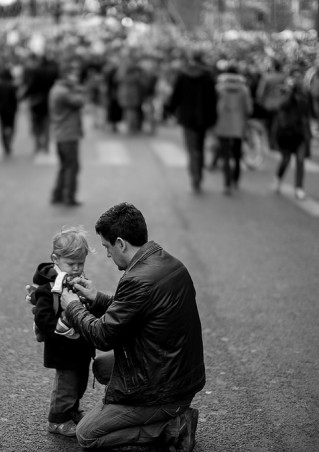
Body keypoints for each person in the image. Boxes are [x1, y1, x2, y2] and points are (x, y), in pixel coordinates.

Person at [58, 202, 205, 451]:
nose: (107, 254)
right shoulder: (167, 263)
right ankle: (155, 416)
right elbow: (133, 312)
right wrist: (96, 298)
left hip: (164, 390)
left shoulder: (137, 280)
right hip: (178, 375)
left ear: (121, 243)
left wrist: (72, 306)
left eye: (107, 247)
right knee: (102, 367)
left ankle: (170, 426)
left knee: (86, 435)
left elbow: (103, 336)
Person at [31, 226, 96, 438]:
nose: (76, 268)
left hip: (81, 345)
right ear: (55, 259)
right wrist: (61, 324)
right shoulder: (49, 288)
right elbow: (43, 318)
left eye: (80, 263)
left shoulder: (78, 280)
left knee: (79, 382)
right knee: (66, 385)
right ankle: (57, 420)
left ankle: (72, 410)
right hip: (62, 347)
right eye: (71, 263)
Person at [166, 51, 218, 193]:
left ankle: (194, 178)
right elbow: (213, 100)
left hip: (187, 118)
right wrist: (213, 118)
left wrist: (169, 110)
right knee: (199, 148)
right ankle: (198, 176)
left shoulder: (183, 75)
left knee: (191, 150)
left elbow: (175, 96)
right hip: (203, 118)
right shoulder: (207, 76)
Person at [271, 68, 312, 201]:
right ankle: (278, 178)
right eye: (295, 77)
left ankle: (299, 188)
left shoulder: (304, 94)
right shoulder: (284, 91)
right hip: (286, 132)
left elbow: (307, 112)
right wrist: (290, 93)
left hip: (300, 132)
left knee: (300, 160)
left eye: (299, 77)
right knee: (286, 159)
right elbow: (280, 106)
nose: (297, 80)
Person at [213, 63, 253, 195]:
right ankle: (236, 179)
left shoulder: (219, 88)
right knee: (237, 155)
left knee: (225, 156)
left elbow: (213, 106)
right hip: (238, 125)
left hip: (223, 124)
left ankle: (227, 183)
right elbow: (249, 109)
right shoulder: (244, 89)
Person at [49, 62, 84, 207]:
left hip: (61, 133)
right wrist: (77, 89)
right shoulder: (63, 92)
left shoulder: (57, 89)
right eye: (73, 74)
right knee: (72, 166)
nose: (76, 77)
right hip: (67, 134)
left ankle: (57, 195)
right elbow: (79, 101)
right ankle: (69, 196)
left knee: (64, 166)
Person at [22, 54, 58, 153]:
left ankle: (38, 144)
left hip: (36, 102)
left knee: (37, 124)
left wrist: (23, 96)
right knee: (46, 124)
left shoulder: (36, 72)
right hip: (48, 101)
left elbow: (32, 86)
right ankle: (46, 145)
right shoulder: (53, 72)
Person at [0, 66, 18, 156]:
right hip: (11, 110)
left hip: (2, 110)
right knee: (11, 127)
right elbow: (14, 100)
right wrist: (15, 108)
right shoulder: (12, 86)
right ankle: (9, 142)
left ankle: (5, 144)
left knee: (3, 127)